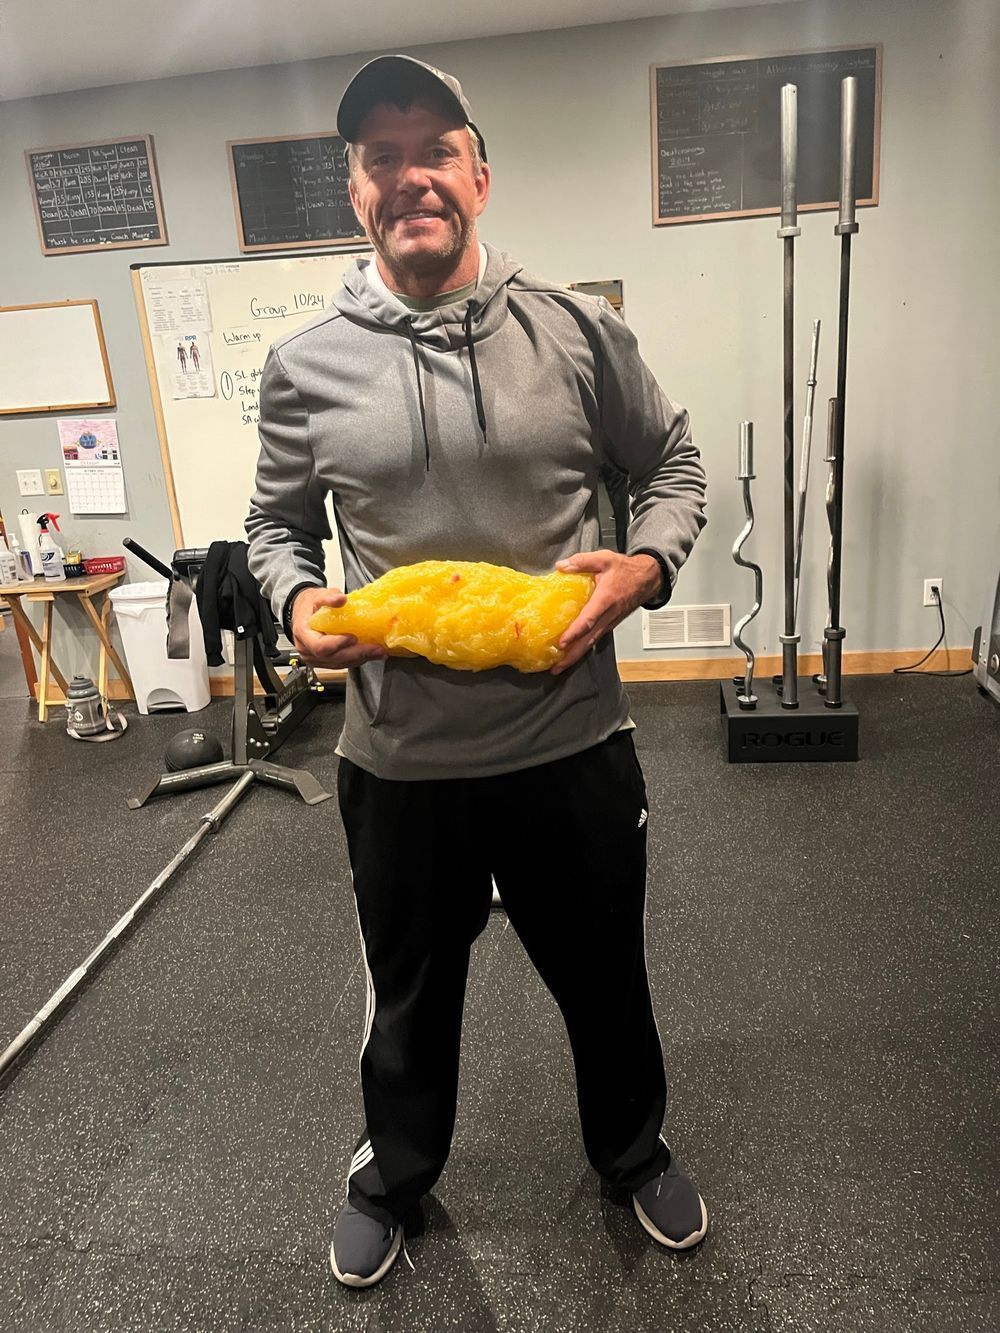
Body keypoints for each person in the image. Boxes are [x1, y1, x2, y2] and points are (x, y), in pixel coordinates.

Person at [246, 54, 709, 1290]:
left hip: (571, 742)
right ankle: (394, 1172)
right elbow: (276, 525)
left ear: (479, 176)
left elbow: (673, 464)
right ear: (355, 193)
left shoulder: (575, 330)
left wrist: (644, 571)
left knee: (606, 974)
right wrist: (296, 597)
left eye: (433, 150)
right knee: (407, 996)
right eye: (381, 159)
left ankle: (632, 1149)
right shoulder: (305, 367)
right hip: (400, 760)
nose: (411, 179)